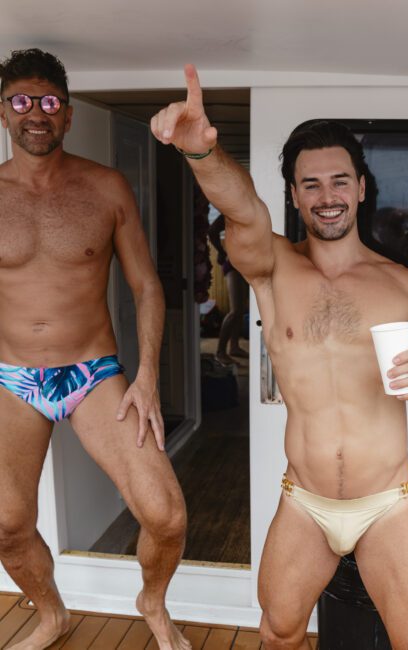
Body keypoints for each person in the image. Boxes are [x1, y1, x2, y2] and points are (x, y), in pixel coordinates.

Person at [151, 65, 408, 650]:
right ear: (293, 194)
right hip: (304, 500)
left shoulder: (405, 286)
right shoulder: (272, 267)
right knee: (279, 632)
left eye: (339, 181)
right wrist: (202, 155)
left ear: (361, 187)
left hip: (387, 500)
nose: (327, 197)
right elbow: (239, 208)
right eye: (311, 184)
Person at [0, 49, 189, 650]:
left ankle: (152, 603)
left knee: (166, 515)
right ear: (3, 110)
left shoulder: (105, 186)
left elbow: (146, 285)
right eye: (22, 100)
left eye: (50, 102)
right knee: (6, 524)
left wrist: (150, 376)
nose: (37, 113)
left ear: (69, 114)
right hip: (10, 378)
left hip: (94, 373)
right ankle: (52, 613)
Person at [207, 213, 248, 365]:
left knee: (241, 309)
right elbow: (212, 231)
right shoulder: (230, 212)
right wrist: (221, 251)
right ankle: (220, 352)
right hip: (232, 264)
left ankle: (235, 346)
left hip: (244, 264)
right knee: (236, 310)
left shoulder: (248, 210)